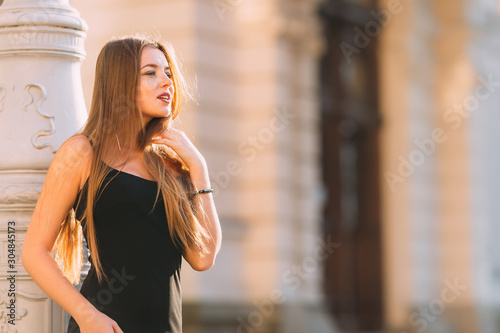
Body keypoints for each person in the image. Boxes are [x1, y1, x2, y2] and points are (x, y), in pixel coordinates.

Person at [21, 35, 222, 333]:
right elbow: (33, 251)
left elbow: (203, 257)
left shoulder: (170, 165)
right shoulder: (82, 152)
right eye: (150, 73)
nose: (167, 82)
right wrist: (87, 316)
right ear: (120, 82)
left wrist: (199, 169)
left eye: (168, 72)